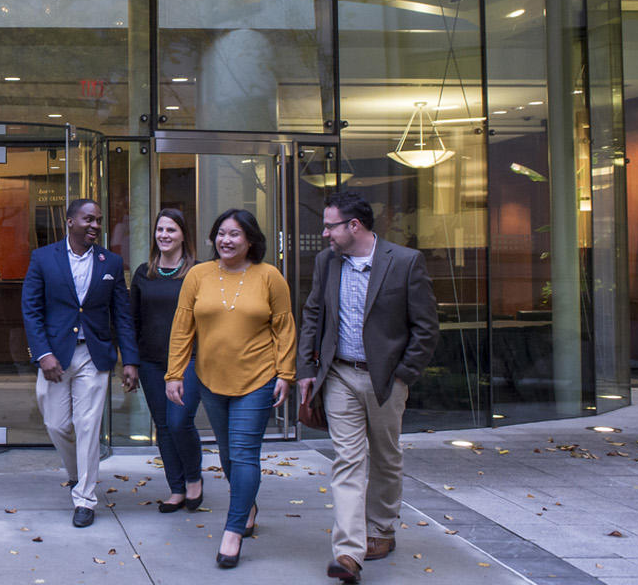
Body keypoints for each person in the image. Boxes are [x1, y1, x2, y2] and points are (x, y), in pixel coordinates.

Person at [296, 192, 438, 584]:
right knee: (347, 461)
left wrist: (404, 374)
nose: (325, 233)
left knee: (386, 457)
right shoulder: (327, 262)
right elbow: (313, 313)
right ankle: (348, 552)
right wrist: (307, 367)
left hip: (386, 379)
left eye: (330, 226)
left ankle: (382, 529)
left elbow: (426, 328)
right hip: (339, 373)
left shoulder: (405, 262)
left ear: (354, 226)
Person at [166, 209, 294, 568]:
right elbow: (182, 326)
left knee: (243, 454)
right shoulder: (198, 275)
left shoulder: (269, 276)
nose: (226, 240)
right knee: (226, 453)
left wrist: (286, 373)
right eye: (221, 233)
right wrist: (174, 373)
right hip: (210, 378)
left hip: (257, 378)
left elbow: (284, 327)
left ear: (250, 240)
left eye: (235, 234)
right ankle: (247, 503)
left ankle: (233, 531)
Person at [22, 198, 139, 528]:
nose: (95, 226)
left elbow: (122, 316)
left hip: (94, 355)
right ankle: (76, 474)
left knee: (88, 426)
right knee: (57, 424)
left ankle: (85, 498)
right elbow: (31, 310)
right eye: (89, 219)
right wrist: (43, 354)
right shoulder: (43, 259)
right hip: (55, 355)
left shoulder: (111, 263)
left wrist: (130, 359)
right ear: (70, 222)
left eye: (99, 220)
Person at [130, 208, 204, 514]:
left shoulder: (199, 272)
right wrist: (130, 362)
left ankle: (194, 479)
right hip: (151, 361)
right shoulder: (143, 273)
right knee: (163, 425)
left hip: (189, 360)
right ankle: (176, 489)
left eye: (171, 230)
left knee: (179, 421)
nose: (164, 235)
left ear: (183, 234)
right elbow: (132, 321)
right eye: (160, 229)